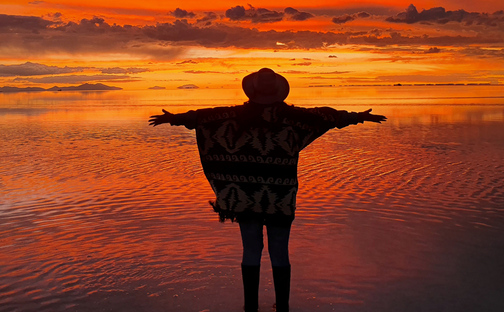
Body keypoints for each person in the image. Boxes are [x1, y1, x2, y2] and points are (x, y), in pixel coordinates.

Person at [149, 68, 386, 312]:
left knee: (251, 249)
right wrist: (359, 117)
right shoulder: (294, 118)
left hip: (245, 196)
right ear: (278, 92)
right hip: (280, 196)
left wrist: (174, 118)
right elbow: (326, 117)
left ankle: (250, 307)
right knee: (279, 251)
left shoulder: (234, 116)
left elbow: (204, 117)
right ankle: (282, 307)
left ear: (252, 91)